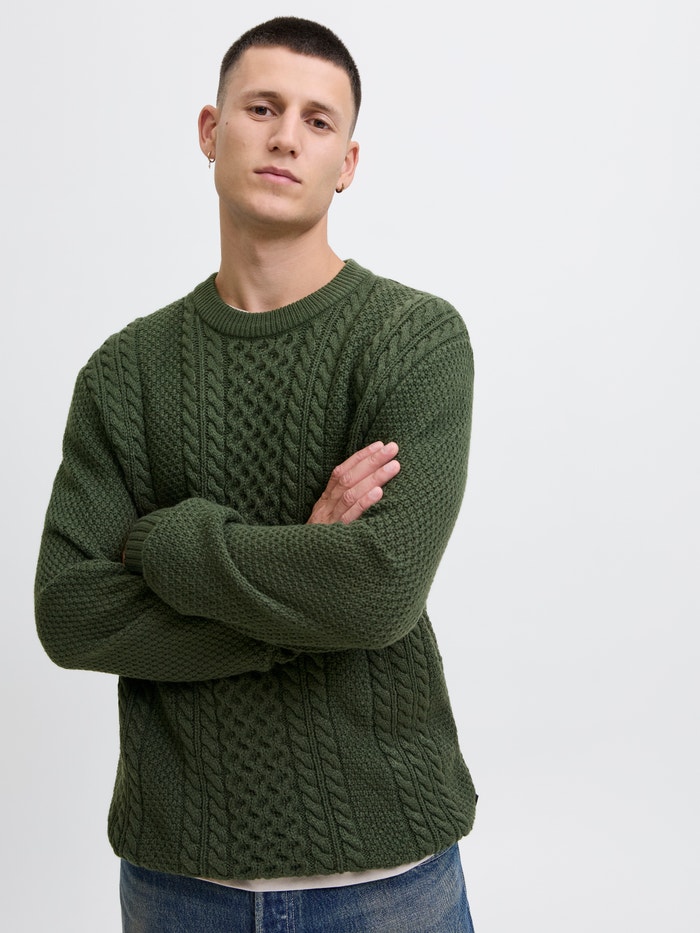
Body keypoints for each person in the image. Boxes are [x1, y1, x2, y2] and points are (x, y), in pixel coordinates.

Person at [35, 16, 478, 933]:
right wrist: (305, 580)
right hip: (177, 880)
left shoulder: (414, 340)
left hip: (387, 879)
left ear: (347, 163)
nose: (286, 137)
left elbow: (377, 591)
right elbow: (71, 610)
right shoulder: (124, 373)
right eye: (263, 108)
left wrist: (171, 543)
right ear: (211, 130)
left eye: (318, 121)